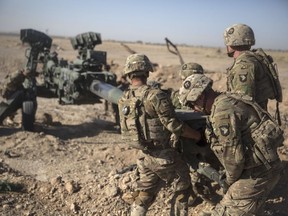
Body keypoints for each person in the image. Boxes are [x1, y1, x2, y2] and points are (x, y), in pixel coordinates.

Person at [179, 73, 284, 215]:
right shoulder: (229, 98)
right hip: (265, 166)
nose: (194, 109)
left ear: (201, 96)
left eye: (192, 103)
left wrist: (228, 182)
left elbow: (234, 158)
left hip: (257, 174)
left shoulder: (222, 112)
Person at [118, 54, 201, 216]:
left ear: (129, 74)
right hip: (164, 157)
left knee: (145, 193)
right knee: (184, 188)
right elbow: (174, 125)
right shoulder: (155, 96)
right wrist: (197, 135)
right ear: (147, 72)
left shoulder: (125, 97)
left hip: (144, 156)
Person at [223, 23, 282, 113]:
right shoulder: (254, 59)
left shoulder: (244, 65)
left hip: (251, 120)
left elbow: (243, 102)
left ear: (232, 42)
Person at [0, 66, 37, 131]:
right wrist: (15, 91)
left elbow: (18, 84)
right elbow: (8, 84)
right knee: (9, 105)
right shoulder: (17, 75)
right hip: (8, 90)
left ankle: (9, 118)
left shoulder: (21, 75)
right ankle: (8, 118)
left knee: (13, 105)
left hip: (11, 89)